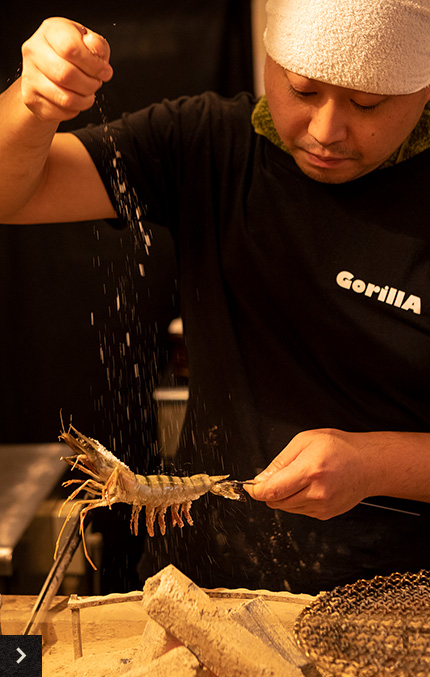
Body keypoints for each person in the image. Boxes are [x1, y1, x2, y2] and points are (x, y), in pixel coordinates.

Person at [1, 0, 430, 595]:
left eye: (367, 104)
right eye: (302, 90)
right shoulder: (206, 142)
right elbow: (12, 193)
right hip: (194, 584)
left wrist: (378, 463)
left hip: (390, 602)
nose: (326, 131)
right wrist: (32, 101)